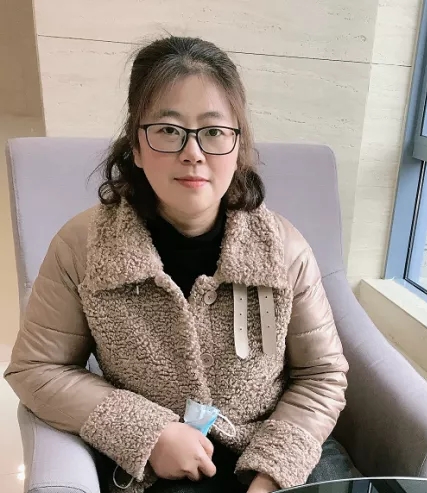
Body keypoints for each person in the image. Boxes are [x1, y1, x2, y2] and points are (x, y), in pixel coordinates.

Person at [4, 36, 356, 493]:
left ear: (238, 145)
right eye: (169, 131)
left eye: (213, 131)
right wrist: (149, 433)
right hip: (159, 467)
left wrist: (273, 473)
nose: (193, 152)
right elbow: (35, 368)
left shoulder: (284, 249)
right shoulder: (82, 246)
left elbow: (321, 374)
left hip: (276, 447)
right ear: (135, 146)